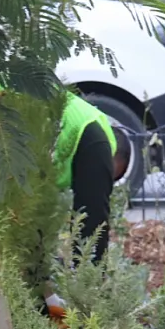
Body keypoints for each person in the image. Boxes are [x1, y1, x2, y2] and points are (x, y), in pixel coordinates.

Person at [53, 91, 132, 266]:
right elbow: (93, 225)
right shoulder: (98, 142)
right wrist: (92, 286)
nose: (103, 184)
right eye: (107, 179)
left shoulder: (81, 124)